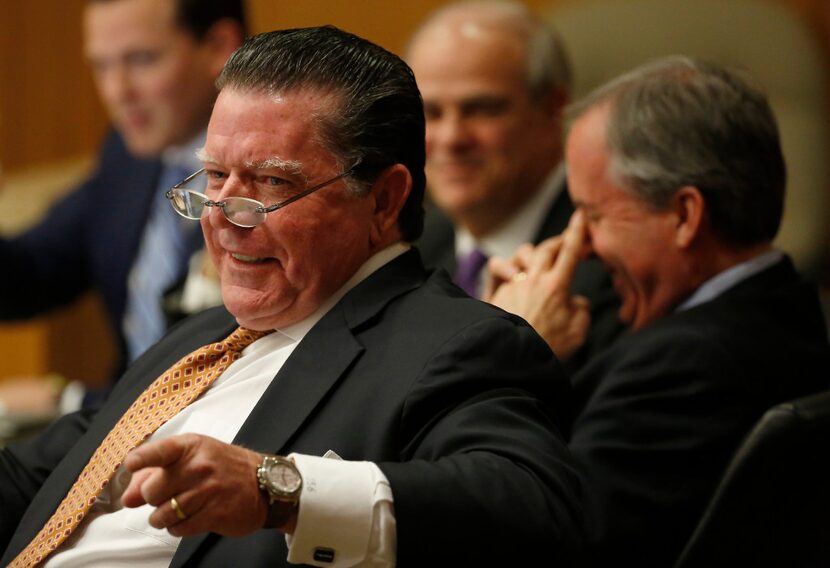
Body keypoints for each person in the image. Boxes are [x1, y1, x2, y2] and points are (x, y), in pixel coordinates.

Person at [0, 26, 583, 567]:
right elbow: (43, 479)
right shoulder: (201, 338)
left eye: (271, 183)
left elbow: (534, 513)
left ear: (383, 201)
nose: (223, 219)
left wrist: (277, 492)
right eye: (215, 178)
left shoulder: (454, 345)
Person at [486, 56, 830, 567]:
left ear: (684, 216)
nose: (579, 246)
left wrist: (511, 353)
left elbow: (532, 540)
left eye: (593, 215)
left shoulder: (689, 365)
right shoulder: (787, 309)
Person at [0, 0, 245, 394]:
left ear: (218, 46)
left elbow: (247, 379)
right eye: (101, 65)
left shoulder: (275, 175)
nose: (117, 91)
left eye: (142, 59)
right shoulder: (128, 154)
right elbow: (33, 276)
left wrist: (70, 401)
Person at [407, 0, 623, 373]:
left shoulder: (609, 261)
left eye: (481, 109)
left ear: (553, 109)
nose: (451, 138)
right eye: (431, 113)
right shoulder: (410, 250)